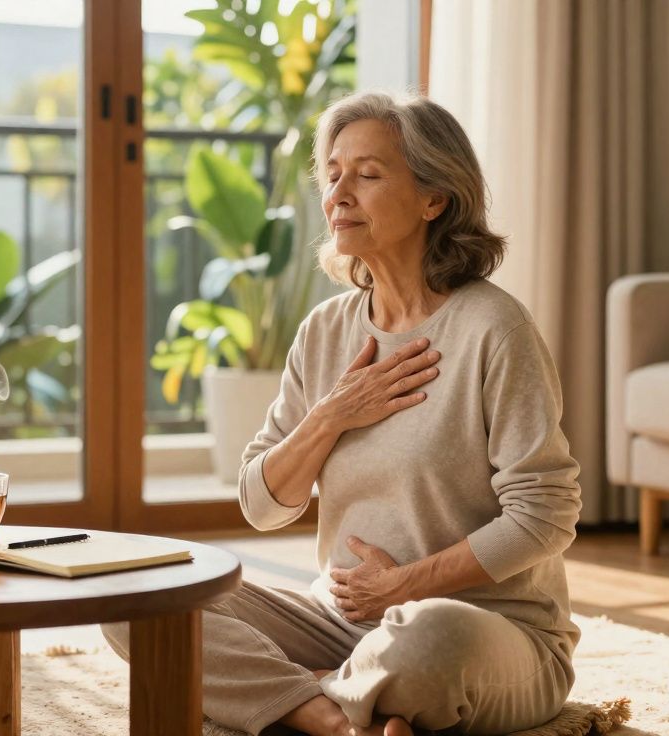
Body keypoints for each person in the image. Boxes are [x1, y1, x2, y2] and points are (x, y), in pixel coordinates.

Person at [105, 90, 583, 736]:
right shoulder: (326, 332)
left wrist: (408, 585)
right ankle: (331, 716)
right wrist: (331, 416)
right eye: (332, 175)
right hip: (336, 623)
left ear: (433, 198)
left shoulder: (493, 328)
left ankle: (297, 695)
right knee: (141, 602)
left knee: (425, 641)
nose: (338, 193)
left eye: (367, 173)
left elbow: (546, 514)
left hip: (483, 628)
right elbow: (261, 504)